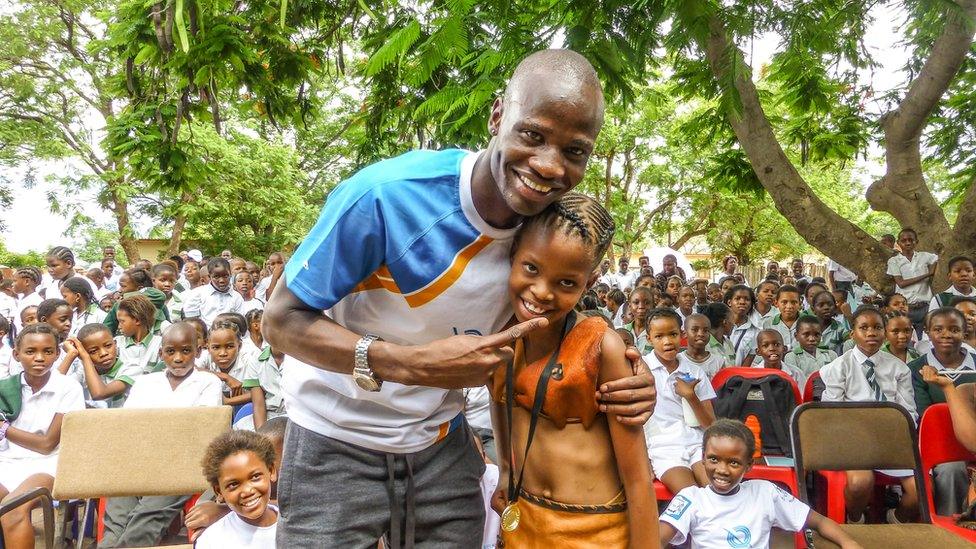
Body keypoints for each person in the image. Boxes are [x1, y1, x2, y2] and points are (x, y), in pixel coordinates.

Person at [262, 49, 655, 547]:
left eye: (574, 151)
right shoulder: (388, 196)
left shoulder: (543, 230)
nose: (548, 165)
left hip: (442, 450)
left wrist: (632, 382)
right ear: (498, 115)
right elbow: (279, 321)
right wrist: (406, 364)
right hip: (333, 444)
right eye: (532, 135)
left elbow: (565, 328)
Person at [486, 194, 656, 548]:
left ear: (590, 282)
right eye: (531, 268)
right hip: (523, 518)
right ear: (514, 251)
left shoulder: (603, 346)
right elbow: (500, 401)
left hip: (593, 531)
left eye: (566, 283)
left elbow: (638, 480)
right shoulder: (497, 331)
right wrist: (505, 469)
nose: (541, 292)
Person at [101, 322, 222, 547]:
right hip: (141, 458)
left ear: (198, 351)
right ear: (161, 353)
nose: (178, 358)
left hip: (184, 462)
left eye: (186, 351)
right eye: (170, 351)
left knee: (148, 513)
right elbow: (131, 425)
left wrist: (158, 428)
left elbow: (199, 429)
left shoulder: (208, 383)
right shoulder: (145, 383)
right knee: (117, 515)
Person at [659, 419, 861, 549]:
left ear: (749, 465)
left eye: (734, 463)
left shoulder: (764, 492)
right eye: (713, 459)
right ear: (702, 459)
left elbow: (818, 521)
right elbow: (657, 539)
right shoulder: (691, 498)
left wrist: (848, 542)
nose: (722, 469)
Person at [820, 306, 918, 524]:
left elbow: (909, 412)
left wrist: (892, 431)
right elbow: (831, 414)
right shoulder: (838, 367)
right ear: (852, 333)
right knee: (859, 483)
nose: (871, 333)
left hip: (890, 440)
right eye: (864, 328)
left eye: (877, 327)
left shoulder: (899, 368)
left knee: (919, 489)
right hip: (853, 441)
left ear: (885, 332)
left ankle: (895, 519)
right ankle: (856, 519)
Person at [0, 323, 85, 549]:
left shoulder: (68, 388)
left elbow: (47, 444)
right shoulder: (5, 387)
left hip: (48, 464)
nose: (40, 358)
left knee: (13, 508)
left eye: (48, 351)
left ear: (57, 354)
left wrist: (4, 429)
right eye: (30, 352)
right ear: (16, 355)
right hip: (7, 461)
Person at [909, 308, 976, 515]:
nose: (946, 334)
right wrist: (961, 408)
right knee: (951, 469)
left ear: (965, 333)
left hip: (972, 440)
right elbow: (928, 415)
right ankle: (950, 525)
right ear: (928, 332)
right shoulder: (917, 369)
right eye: (938, 329)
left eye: (954, 329)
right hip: (942, 443)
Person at [645, 308, 716, 496]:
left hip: (697, 444)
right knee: (690, 496)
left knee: (715, 492)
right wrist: (642, 459)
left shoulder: (695, 372)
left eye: (673, 334)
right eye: (659, 336)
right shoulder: (641, 370)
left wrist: (690, 396)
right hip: (663, 448)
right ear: (648, 338)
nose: (667, 341)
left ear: (682, 335)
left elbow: (710, 424)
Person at [195, 430, 279, 548]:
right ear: (219, 491)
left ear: (271, 471)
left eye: (255, 477)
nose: (247, 491)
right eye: (233, 484)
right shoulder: (213, 541)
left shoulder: (298, 524)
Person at [62, 323, 141, 408]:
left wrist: (85, 358)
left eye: (108, 346)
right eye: (93, 351)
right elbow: (56, 387)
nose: (104, 353)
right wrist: (72, 354)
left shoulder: (132, 368)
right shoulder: (83, 371)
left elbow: (99, 393)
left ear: (115, 344)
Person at [887, 227, 938, 334]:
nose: (908, 243)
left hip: (924, 307)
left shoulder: (924, 256)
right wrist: (928, 274)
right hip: (905, 308)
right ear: (898, 243)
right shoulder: (894, 261)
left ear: (916, 242)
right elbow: (901, 283)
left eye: (911, 240)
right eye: (904, 240)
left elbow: (937, 258)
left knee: (924, 337)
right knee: (905, 336)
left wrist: (932, 269)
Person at [182, 257, 244, 326]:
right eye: (216, 277)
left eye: (225, 276)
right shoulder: (198, 294)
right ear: (209, 276)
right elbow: (191, 321)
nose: (221, 281)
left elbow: (240, 321)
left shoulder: (236, 297)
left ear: (230, 275)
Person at [115, 294, 163, 375]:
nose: (119, 326)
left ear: (137, 320)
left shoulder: (160, 345)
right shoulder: (116, 344)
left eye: (122, 321)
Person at [207, 320, 250, 407]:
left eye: (230, 346)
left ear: (240, 346)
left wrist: (227, 402)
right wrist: (225, 377)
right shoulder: (206, 357)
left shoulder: (249, 360)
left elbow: (259, 393)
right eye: (216, 347)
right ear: (208, 348)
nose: (223, 353)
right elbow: (191, 370)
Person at [783, 315, 838, 382]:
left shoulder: (831, 355)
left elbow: (837, 379)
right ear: (796, 336)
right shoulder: (792, 357)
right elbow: (794, 382)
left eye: (816, 334)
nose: (812, 339)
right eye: (806, 334)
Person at [679, 313, 725, 379]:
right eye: (695, 330)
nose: (701, 334)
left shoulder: (719, 362)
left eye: (706, 330)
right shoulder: (677, 360)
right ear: (684, 334)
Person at [725, 285, 759, 366]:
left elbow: (748, 362)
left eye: (747, 299)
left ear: (751, 304)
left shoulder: (755, 331)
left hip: (739, 375)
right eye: (737, 298)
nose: (742, 302)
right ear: (729, 302)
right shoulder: (719, 325)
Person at [764, 284, 802, 351]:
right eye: (784, 302)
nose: (789, 306)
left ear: (800, 304)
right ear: (776, 303)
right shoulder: (769, 324)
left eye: (794, 302)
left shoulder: (809, 323)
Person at [812, 291, 849, 355]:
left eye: (830, 304)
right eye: (821, 305)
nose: (826, 307)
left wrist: (849, 315)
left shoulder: (840, 328)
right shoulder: (807, 327)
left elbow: (851, 340)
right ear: (813, 309)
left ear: (835, 307)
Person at [621, 287, 653, 355]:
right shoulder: (622, 331)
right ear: (630, 306)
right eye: (636, 302)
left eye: (647, 303)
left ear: (653, 305)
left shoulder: (657, 332)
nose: (641, 306)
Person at [702, 302, 735, 367]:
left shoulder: (729, 343)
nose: (734, 324)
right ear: (725, 322)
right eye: (732, 319)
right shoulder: (703, 346)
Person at [12, 267, 43, 333]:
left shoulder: (35, 301)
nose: (12, 284)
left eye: (15, 281)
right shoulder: (23, 298)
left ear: (27, 281)